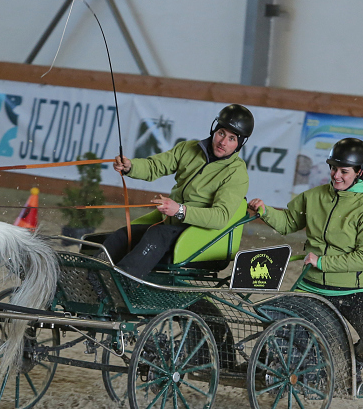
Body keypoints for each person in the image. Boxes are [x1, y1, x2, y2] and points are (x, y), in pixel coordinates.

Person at [247, 137, 363, 386]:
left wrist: (322, 262)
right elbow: (288, 223)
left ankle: (352, 366)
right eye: (333, 168)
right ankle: (302, 368)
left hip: (352, 290)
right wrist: (265, 211)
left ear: (359, 172)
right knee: (269, 312)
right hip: (310, 286)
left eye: (344, 171)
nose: (336, 175)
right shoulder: (313, 197)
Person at [98, 103, 254, 279]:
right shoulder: (188, 149)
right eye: (221, 133)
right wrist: (131, 166)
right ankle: (92, 278)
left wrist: (180, 210)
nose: (223, 142)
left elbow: (220, 217)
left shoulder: (236, 174)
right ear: (214, 130)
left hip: (200, 234)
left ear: (240, 144)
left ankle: (119, 284)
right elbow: (156, 166)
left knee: (156, 235)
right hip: (172, 226)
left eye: (232, 139)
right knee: (122, 235)